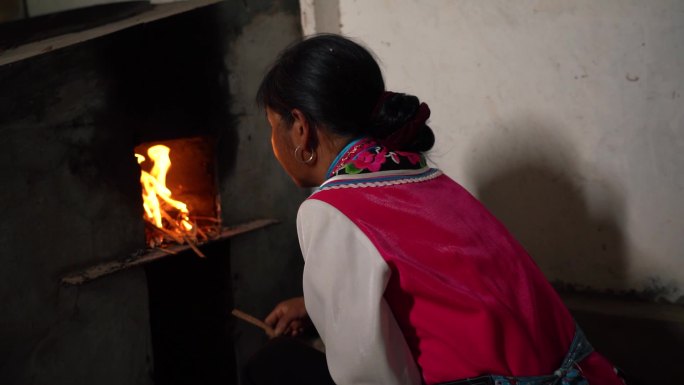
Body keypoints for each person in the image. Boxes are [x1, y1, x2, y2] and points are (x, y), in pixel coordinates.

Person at [246, 34, 626, 385]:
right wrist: (313, 309)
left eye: (271, 125)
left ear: (299, 128)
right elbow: (439, 290)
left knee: (273, 365)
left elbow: (369, 373)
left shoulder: (330, 207)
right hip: (581, 374)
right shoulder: (421, 173)